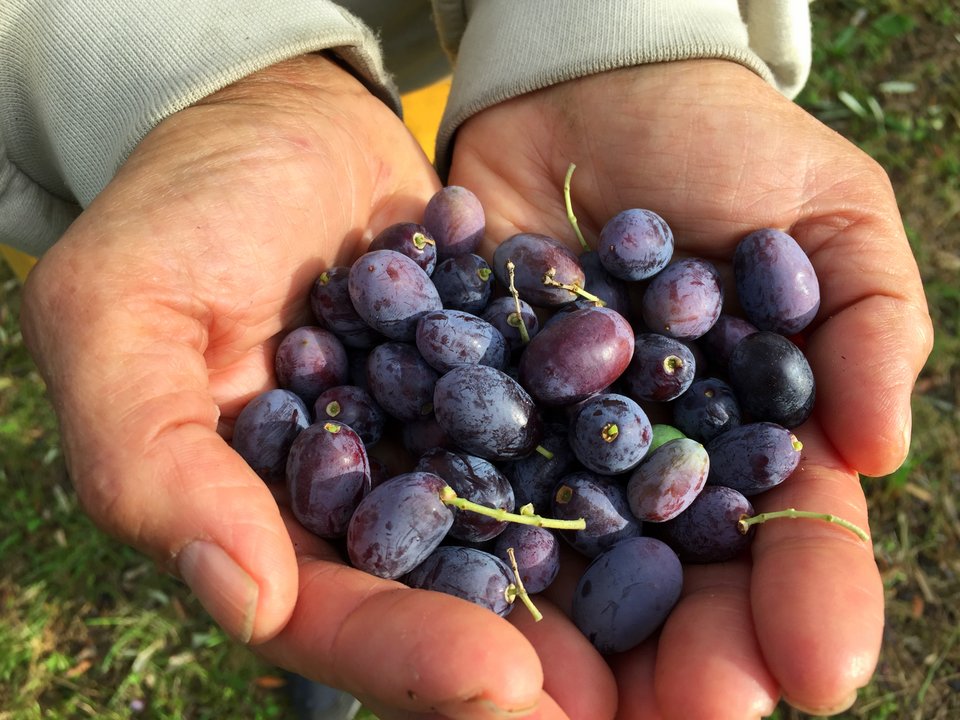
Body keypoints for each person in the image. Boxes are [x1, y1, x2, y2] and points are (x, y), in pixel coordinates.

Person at [0, 2, 934, 719]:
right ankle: (320, 673)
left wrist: (628, 30)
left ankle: (330, 667)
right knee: (330, 582)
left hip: (461, 73)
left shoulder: (620, 394)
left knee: (376, 595)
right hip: (240, 113)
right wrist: (175, 84)